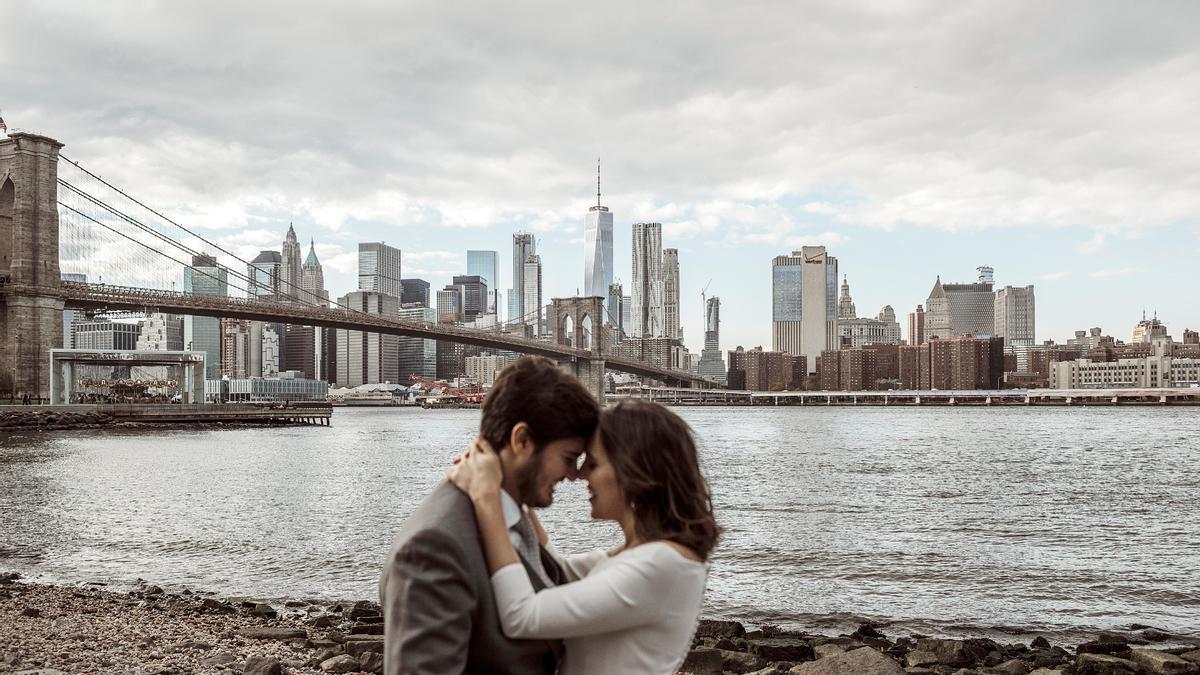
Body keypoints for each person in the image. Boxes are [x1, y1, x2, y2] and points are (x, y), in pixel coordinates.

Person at [450, 399, 721, 675]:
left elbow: (521, 616)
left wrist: (486, 497)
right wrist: (516, 482)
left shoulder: (661, 565)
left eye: (592, 463)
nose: (578, 475)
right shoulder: (644, 555)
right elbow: (553, 573)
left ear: (632, 470)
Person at [379, 356, 600, 675]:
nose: (573, 475)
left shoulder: (512, 516)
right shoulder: (433, 548)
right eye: (568, 458)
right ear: (521, 440)